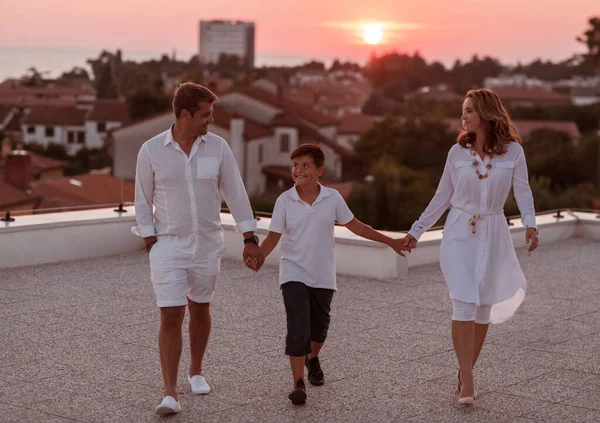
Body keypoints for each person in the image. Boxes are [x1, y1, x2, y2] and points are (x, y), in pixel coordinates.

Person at [132, 82, 264, 415]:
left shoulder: (218, 147)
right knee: (171, 314)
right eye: (205, 114)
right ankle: (169, 393)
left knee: (200, 309)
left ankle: (195, 371)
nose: (211, 119)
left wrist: (249, 237)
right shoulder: (151, 150)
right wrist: (150, 240)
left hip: (207, 244)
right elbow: (141, 198)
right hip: (168, 246)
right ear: (185, 114)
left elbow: (235, 193)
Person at [246, 143, 411, 405]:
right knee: (298, 326)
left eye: (305, 165)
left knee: (319, 330)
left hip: (322, 273)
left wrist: (390, 241)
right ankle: (298, 383)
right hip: (293, 271)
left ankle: (313, 358)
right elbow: (274, 236)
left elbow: (356, 226)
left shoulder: (332, 198)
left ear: (319, 170)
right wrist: (259, 256)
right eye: (295, 165)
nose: (298, 170)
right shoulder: (284, 200)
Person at [403, 88, 539, 405]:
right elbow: (442, 198)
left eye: (468, 111)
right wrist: (417, 230)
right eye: (462, 111)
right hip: (458, 234)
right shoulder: (457, 154)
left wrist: (530, 224)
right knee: (463, 302)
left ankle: (465, 371)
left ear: (486, 114)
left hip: (493, 232)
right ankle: (469, 379)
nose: (462, 117)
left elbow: (523, 192)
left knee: (483, 307)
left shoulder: (514, 153)